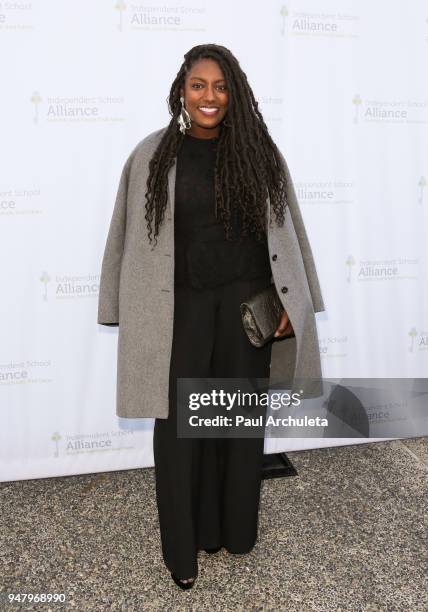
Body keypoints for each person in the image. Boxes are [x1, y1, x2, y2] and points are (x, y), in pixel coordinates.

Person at [97, 43, 325, 590]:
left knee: (238, 426)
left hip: (248, 314)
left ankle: (232, 531)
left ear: (235, 94)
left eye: (221, 87)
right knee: (179, 432)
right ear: (182, 90)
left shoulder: (260, 152)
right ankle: (183, 552)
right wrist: (114, 304)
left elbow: (288, 233)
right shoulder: (152, 155)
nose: (210, 97)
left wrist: (294, 305)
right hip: (178, 313)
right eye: (199, 85)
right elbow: (123, 238)